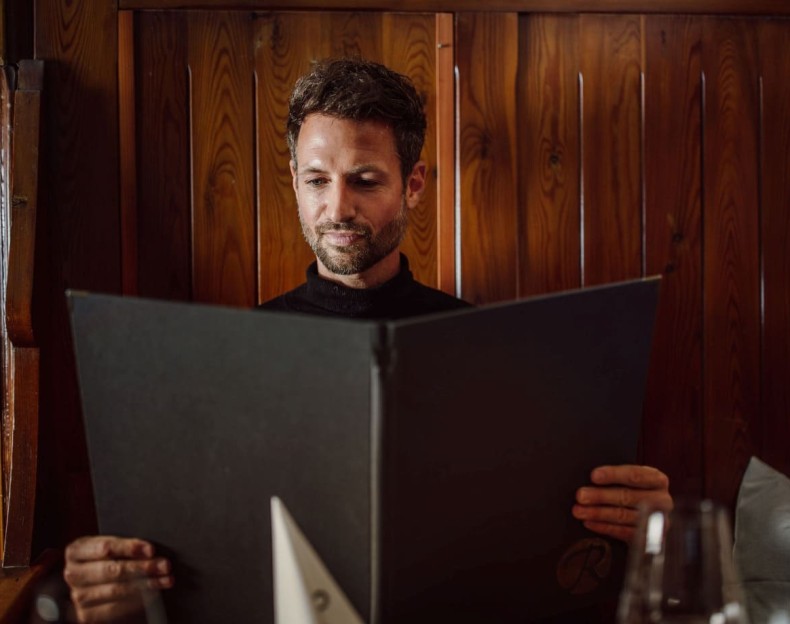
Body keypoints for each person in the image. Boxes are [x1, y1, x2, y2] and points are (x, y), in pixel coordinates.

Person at [63, 58, 673, 623]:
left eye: (365, 180)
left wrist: (647, 535)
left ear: (412, 185)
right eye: (316, 180)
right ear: (295, 183)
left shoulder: (495, 351)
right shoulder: (226, 355)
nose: (336, 207)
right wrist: (113, 586)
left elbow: (566, 559)